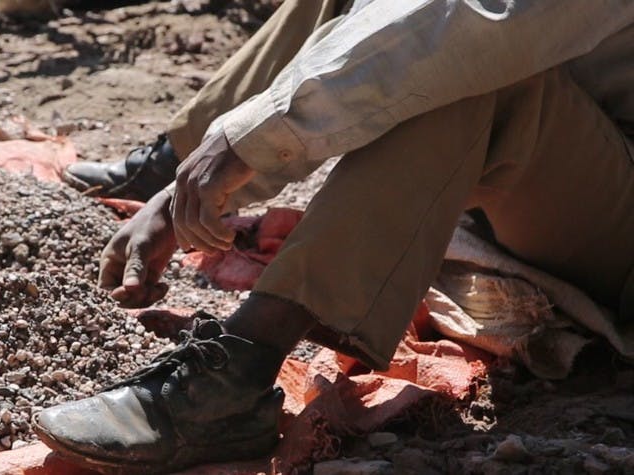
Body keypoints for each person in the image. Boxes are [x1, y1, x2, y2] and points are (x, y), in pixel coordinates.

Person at [36, 0, 634, 473]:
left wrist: (250, 144)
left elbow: (477, 24)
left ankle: (237, 375)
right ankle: (177, 163)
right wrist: (205, 175)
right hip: (581, 133)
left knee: (472, 78)